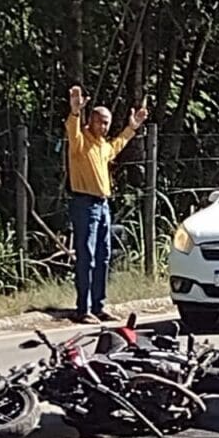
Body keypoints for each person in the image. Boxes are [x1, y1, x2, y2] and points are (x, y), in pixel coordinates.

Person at [65, 85, 148, 324]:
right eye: (101, 122)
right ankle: (83, 308)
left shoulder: (103, 146)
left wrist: (132, 127)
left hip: (103, 206)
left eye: (107, 123)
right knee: (86, 256)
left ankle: (99, 305)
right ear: (91, 121)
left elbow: (117, 146)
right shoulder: (80, 142)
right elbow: (72, 130)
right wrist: (74, 111)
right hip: (84, 204)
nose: (105, 127)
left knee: (103, 256)